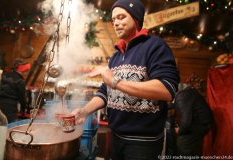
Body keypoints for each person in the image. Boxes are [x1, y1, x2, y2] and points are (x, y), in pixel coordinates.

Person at [72, 0, 179, 159]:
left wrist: (116, 82)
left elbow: (167, 89)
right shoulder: (116, 56)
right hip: (116, 137)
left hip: (143, 143)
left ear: (136, 19)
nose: (116, 23)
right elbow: (105, 92)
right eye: (114, 19)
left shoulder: (154, 46)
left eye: (121, 17)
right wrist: (84, 111)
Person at [172, 83, 213, 158]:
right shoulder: (187, 92)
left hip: (199, 125)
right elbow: (175, 104)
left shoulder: (182, 95)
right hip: (203, 124)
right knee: (191, 148)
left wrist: (180, 130)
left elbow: (186, 120)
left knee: (182, 145)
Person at [0, 58, 30, 123]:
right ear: (22, 70)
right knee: (12, 128)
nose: (27, 73)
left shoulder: (4, 75)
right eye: (26, 70)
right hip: (10, 108)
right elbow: (22, 99)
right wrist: (23, 111)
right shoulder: (20, 81)